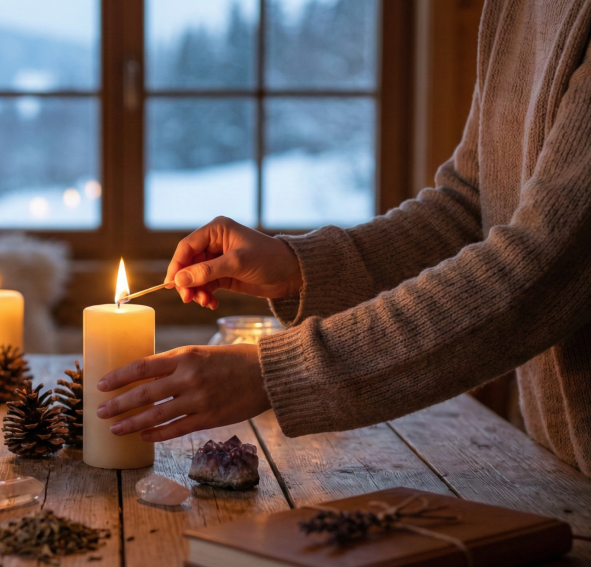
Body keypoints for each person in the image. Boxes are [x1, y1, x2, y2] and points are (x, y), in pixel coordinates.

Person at [96, 0, 591, 477]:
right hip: (556, 468)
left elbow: (546, 265)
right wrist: (298, 266)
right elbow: (469, 208)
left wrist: (276, 373)